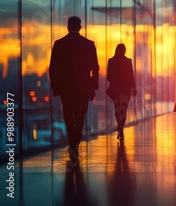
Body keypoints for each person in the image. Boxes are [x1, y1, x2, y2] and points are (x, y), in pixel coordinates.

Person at [49, 16, 99, 168]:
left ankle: (72, 145)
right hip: (83, 88)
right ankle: (74, 145)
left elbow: (53, 68)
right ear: (80, 27)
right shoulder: (89, 44)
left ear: (67, 27)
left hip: (66, 88)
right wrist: (93, 87)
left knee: (68, 115)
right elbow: (95, 68)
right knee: (80, 116)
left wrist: (56, 87)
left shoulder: (59, 44)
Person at [106, 43, 137, 140]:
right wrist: (133, 88)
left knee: (117, 108)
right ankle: (121, 127)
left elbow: (109, 77)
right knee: (124, 108)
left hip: (115, 89)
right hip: (125, 89)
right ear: (124, 50)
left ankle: (120, 125)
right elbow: (131, 76)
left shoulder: (111, 61)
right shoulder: (128, 61)